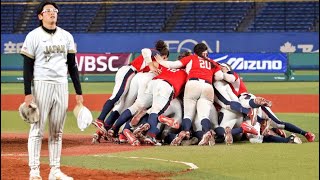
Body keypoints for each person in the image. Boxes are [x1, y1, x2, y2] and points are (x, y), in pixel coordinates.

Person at [20, 1, 82, 179]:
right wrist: (27, 93)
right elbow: (27, 66)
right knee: (37, 129)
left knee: (57, 131)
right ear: (40, 16)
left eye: (54, 10)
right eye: (47, 11)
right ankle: (34, 170)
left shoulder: (66, 36)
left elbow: (72, 66)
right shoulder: (33, 36)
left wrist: (79, 92)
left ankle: (55, 170)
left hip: (62, 85)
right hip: (41, 85)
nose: (52, 13)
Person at [92, 40, 168, 134]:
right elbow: (145, 50)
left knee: (123, 104)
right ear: (163, 55)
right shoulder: (156, 54)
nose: (165, 61)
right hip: (129, 71)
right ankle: (100, 119)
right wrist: (151, 66)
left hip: (133, 75)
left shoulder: (154, 61)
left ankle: (107, 128)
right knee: (117, 96)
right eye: (165, 58)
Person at [156, 43, 224, 145]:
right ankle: (206, 132)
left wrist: (160, 61)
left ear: (195, 52)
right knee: (204, 115)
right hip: (208, 86)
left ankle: (186, 131)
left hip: (193, 84)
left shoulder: (192, 58)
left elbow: (174, 65)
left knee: (188, 114)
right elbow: (220, 76)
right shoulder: (212, 62)